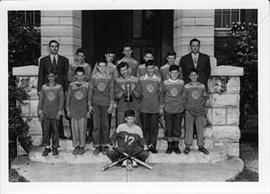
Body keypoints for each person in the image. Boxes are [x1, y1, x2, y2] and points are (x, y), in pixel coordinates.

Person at [38, 40, 69, 140]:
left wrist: (66, 89)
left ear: (58, 47)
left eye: (56, 46)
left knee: (59, 111)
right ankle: (47, 136)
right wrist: (39, 89)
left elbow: (66, 76)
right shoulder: (43, 60)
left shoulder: (64, 60)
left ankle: (60, 134)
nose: (54, 48)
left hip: (60, 89)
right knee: (48, 111)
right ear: (49, 48)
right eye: (52, 46)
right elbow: (41, 75)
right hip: (48, 90)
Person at [88, 59, 114, 155]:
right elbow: (91, 90)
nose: (102, 68)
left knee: (105, 125)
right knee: (96, 125)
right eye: (100, 66)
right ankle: (97, 146)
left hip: (106, 104)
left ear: (106, 67)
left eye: (104, 66)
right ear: (97, 67)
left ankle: (104, 145)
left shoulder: (109, 77)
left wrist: (111, 105)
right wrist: (89, 104)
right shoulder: (94, 77)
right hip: (95, 104)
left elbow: (111, 91)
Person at [38, 67, 64, 156]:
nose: (51, 78)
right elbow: (41, 100)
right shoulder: (44, 87)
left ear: (55, 76)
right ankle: (47, 147)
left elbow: (61, 100)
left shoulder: (59, 87)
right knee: (46, 131)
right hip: (46, 113)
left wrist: (60, 111)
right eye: (49, 76)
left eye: (53, 76)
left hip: (55, 113)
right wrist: (40, 111)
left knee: (56, 131)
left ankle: (55, 147)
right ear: (47, 77)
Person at [182, 69, 209, 155]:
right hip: (189, 111)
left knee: (200, 129)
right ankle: (187, 146)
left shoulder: (202, 86)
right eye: (191, 75)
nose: (193, 77)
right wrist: (187, 107)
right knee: (189, 128)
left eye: (195, 75)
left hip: (200, 111)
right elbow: (183, 98)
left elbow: (205, 97)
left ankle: (201, 146)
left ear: (198, 76)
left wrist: (201, 106)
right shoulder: (186, 87)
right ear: (189, 77)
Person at [139, 60, 163, 154]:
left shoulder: (158, 79)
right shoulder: (141, 79)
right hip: (144, 107)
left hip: (154, 107)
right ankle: (145, 145)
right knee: (145, 128)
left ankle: (152, 145)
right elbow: (139, 93)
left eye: (151, 68)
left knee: (153, 128)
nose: (150, 70)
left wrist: (160, 107)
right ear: (146, 68)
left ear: (154, 68)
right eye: (148, 68)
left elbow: (160, 95)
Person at [66, 67, 90, 155]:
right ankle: (76, 146)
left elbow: (89, 98)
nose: (79, 77)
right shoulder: (71, 85)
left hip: (83, 110)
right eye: (78, 75)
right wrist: (68, 109)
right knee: (74, 129)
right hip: (74, 110)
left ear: (84, 76)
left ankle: (82, 146)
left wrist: (88, 110)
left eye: (81, 75)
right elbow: (68, 97)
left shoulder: (87, 85)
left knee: (82, 129)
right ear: (75, 76)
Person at [162, 65, 185, 154]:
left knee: (177, 128)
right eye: (172, 73)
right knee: (169, 128)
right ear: (169, 73)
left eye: (176, 73)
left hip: (179, 108)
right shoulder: (165, 83)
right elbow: (163, 94)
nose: (174, 74)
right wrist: (163, 105)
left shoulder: (181, 83)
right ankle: (169, 146)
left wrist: (183, 105)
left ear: (179, 73)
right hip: (168, 108)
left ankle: (176, 146)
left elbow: (183, 95)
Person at [115, 62, 141, 126]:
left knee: (134, 129)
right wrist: (122, 90)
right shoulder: (118, 81)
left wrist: (133, 89)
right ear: (119, 71)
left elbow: (139, 95)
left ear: (129, 69)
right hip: (122, 108)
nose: (124, 72)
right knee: (121, 129)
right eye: (121, 70)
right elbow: (116, 97)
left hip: (134, 108)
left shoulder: (136, 80)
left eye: (125, 69)